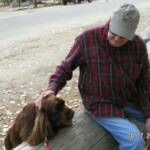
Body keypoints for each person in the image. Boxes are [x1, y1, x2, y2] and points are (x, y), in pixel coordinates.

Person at [36, 4, 150, 150]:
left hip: (128, 99)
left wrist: (148, 114)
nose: (116, 39)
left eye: (123, 37)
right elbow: (65, 67)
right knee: (134, 140)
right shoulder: (87, 39)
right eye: (114, 33)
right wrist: (52, 89)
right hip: (100, 103)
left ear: (132, 33)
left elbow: (145, 81)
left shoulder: (138, 46)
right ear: (110, 22)